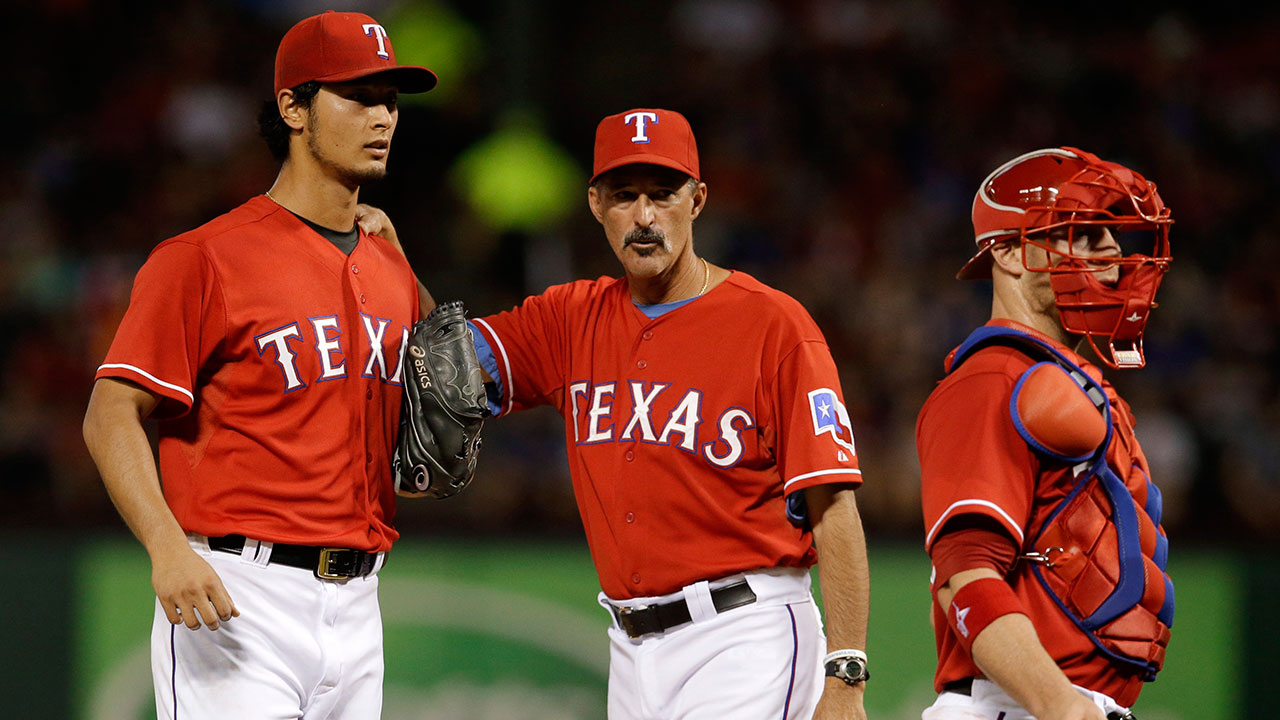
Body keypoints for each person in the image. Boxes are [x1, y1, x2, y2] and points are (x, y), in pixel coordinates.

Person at [81, 11, 436, 719]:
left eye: (389, 100)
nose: (382, 117)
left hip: (360, 601)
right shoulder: (205, 258)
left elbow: (445, 384)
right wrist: (166, 548)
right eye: (358, 96)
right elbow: (110, 411)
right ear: (293, 108)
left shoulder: (390, 263)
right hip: (239, 592)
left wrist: (409, 274)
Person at [473, 108, 871, 719]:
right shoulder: (569, 319)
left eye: (663, 195)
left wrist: (845, 674)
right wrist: (383, 263)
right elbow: (441, 362)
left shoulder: (774, 325)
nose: (643, 217)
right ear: (595, 203)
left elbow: (834, 508)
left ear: (698, 199)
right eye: (624, 196)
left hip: (746, 633)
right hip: (629, 650)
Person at [916, 147, 1176, 720]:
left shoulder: (1068, 382)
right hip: (1012, 706)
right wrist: (1063, 708)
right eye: (1082, 234)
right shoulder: (989, 380)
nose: (1111, 251)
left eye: (1113, 235)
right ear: (1009, 253)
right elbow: (964, 576)